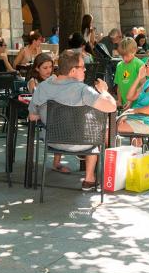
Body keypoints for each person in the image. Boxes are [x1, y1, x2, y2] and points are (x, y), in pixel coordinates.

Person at [28, 49, 116, 190]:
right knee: (95, 135)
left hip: (52, 141)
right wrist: (104, 91)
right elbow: (111, 106)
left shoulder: (42, 88)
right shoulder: (83, 90)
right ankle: (89, 179)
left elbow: (32, 116)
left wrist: (47, 115)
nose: (85, 70)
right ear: (73, 70)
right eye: (83, 67)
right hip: (83, 143)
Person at [114, 37, 144, 107]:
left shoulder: (139, 64)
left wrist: (131, 99)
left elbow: (144, 85)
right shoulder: (119, 65)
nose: (124, 58)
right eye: (122, 56)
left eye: (127, 55)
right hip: (125, 103)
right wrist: (119, 100)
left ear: (134, 51)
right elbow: (119, 86)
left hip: (137, 103)